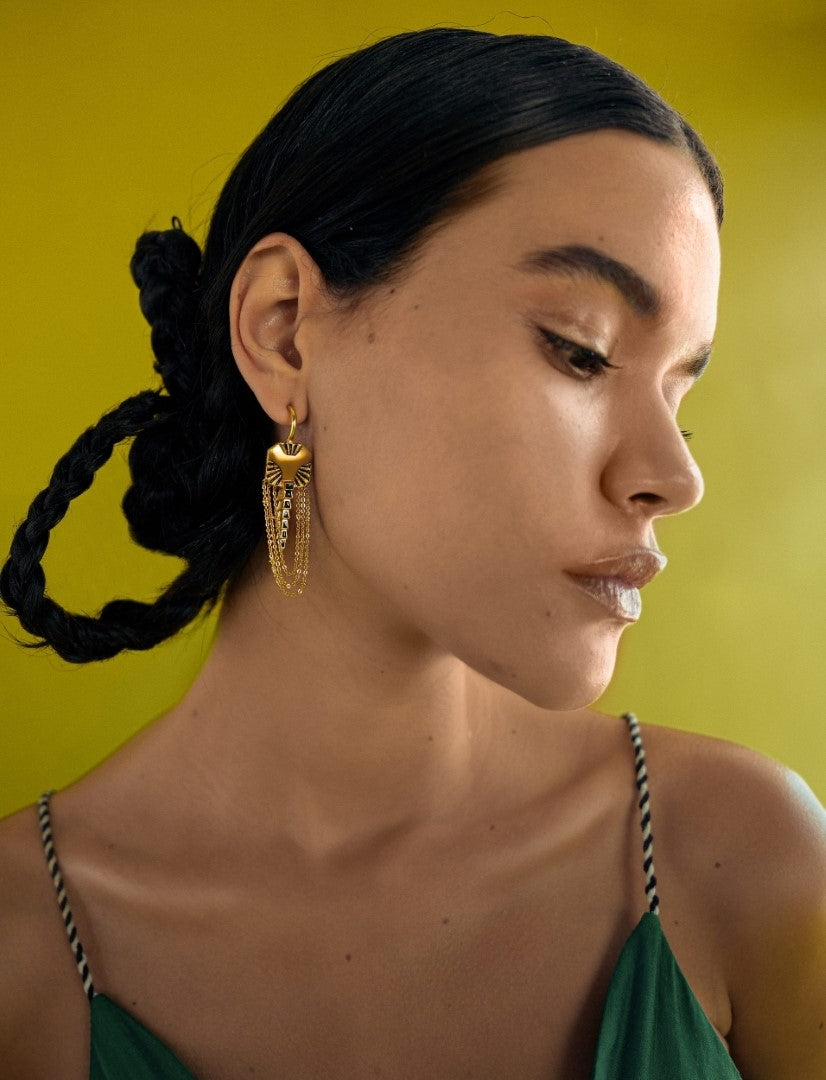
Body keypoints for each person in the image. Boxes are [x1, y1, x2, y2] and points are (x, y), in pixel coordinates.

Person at [0, 25, 824, 1080]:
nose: (672, 473)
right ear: (287, 330)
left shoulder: (744, 858)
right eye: (581, 350)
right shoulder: (24, 951)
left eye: (679, 393)